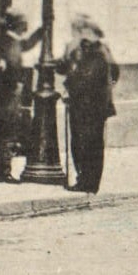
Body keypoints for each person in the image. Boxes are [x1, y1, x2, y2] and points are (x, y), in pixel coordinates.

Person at [57, 15, 119, 195]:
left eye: (77, 30)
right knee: (82, 143)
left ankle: (88, 183)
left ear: (87, 31)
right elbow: (63, 68)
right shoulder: (83, 49)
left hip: (91, 106)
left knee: (88, 145)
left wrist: (70, 88)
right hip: (85, 105)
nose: (75, 34)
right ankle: (84, 180)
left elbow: (85, 77)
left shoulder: (98, 51)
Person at [0, 11, 43, 183]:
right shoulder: (6, 42)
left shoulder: (12, 40)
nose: (25, 27)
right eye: (23, 23)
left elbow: (27, 44)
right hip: (7, 94)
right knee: (7, 131)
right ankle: (2, 171)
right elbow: (6, 68)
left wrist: (42, 30)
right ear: (17, 25)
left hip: (11, 93)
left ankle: (3, 169)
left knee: (8, 131)